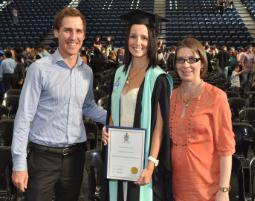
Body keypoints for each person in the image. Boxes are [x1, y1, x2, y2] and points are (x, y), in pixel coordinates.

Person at [11, 7, 107, 201]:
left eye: (78, 31)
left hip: (75, 157)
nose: (73, 36)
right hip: (43, 158)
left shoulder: (86, 72)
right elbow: (24, 117)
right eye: (67, 30)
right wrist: (19, 163)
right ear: (56, 32)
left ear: (84, 35)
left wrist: (118, 118)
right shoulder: (39, 69)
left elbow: (87, 106)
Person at [102, 9, 173, 201]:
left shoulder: (158, 78)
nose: (138, 43)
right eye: (133, 36)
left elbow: (160, 125)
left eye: (143, 37)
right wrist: (106, 128)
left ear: (152, 41)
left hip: (142, 157)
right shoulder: (119, 73)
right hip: (118, 154)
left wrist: (151, 164)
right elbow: (114, 108)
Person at [169, 37, 235, 201]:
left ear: (202, 63)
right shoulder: (171, 96)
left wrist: (224, 189)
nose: (186, 65)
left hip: (208, 189)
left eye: (192, 59)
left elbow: (225, 148)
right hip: (176, 187)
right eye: (181, 60)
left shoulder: (217, 97)